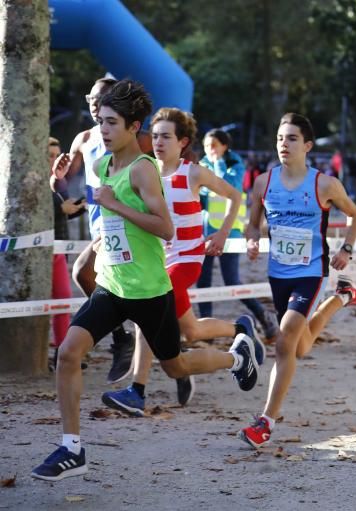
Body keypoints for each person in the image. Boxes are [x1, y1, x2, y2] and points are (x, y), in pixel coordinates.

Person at [32, 80, 264, 482]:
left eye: (111, 123)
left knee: (175, 367)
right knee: (69, 352)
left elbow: (166, 228)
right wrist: (60, 185)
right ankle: (72, 447)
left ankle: (235, 357)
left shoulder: (143, 170)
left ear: (132, 126)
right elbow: (91, 208)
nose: (103, 130)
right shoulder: (104, 164)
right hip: (112, 284)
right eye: (100, 121)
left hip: (148, 290)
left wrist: (115, 204)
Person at [100, 107, 260, 414]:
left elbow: (235, 196)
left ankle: (137, 391)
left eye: (166, 137)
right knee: (192, 332)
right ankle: (240, 328)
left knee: (147, 309)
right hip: (155, 260)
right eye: (155, 136)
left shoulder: (193, 173)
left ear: (182, 142)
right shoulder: (142, 170)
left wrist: (223, 233)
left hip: (187, 258)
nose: (158, 142)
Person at [238, 113, 356, 448]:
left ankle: (266, 421)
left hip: (310, 272)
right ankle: (342, 298)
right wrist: (252, 239)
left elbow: (355, 215)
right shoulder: (264, 182)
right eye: (281, 138)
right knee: (301, 344)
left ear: (307, 145)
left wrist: (347, 249)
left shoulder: (324, 184)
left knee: (284, 342)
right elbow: (252, 224)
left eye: (292, 138)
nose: (284, 144)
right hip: (277, 273)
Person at [63, 77, 134, 384]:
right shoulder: (82, 139)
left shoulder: (129, 138)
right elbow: (69, 185)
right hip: (97, 226)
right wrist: (60, 182)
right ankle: (178, 364)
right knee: (141, 302)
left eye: (100, 97)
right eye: (90, 98)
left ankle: (119, 338)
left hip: (123, 226)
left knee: (82, 272)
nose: (93, 103)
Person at [197, 129, 278, 340]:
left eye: (214, 145)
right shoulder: (201, 166)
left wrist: (217, 164)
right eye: (206, 146)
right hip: (204, 232)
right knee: (203, 283)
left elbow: (230, 188)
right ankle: (207, 331)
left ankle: (263, 316)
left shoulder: (235, 165)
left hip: (229, 233)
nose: (210, 150)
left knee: (232, 281)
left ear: (225, 146)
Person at [48, 137, 86, 350]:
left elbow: (65, 212)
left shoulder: (59, 180)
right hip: (34, 253)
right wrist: (60, 207)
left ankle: (62, 350)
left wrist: (83, 205)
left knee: (63, 300)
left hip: (58, 251)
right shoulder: (25, 177)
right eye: (50, 156)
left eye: (58, 156)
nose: (54, 160)